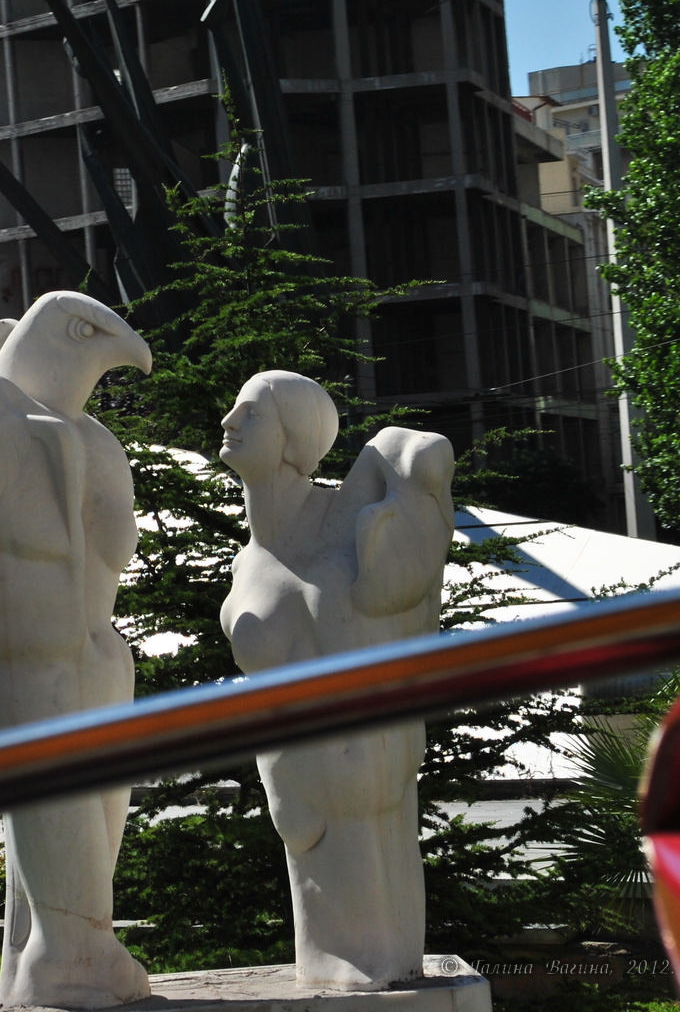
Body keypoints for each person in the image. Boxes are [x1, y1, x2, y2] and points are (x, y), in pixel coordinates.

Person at [0, 291, 153, 1009]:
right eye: (82, 337)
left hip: (93, 642)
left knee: (94, 798)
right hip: (31, 646)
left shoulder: (90, 441)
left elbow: (109, 545)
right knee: (53, 784)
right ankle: (71, 957)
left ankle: (51, 947)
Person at [217, 370, 455, 988]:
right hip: (296, 800)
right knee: (326, 964)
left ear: (296, 438)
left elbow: (415, 453)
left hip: (364, 797)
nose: (229, 422)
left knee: (368, 971)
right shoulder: (250, 559)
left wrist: (411, 465)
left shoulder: (350, 533)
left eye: (251, 413)